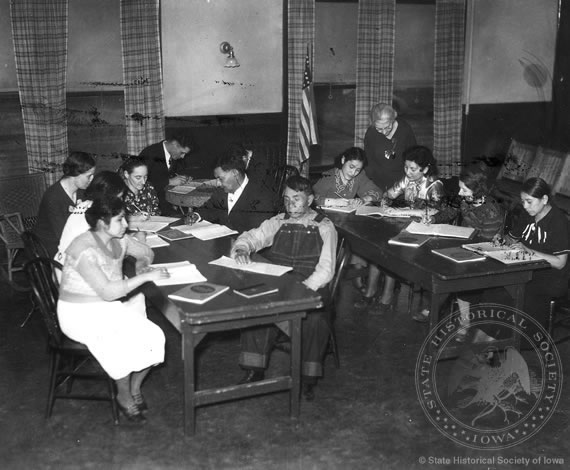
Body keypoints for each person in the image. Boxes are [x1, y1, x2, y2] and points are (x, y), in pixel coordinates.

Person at [57, 196, 169, 424]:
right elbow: (108, 292)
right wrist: (147, 277)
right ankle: (124, 395)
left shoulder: (120, 239)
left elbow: (146, 251)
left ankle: (135, 387)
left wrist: (142, 263)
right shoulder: (82, 247)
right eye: (120, 220)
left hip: (107, 309)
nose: (126, 225)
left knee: (154, 336)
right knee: (117, 343)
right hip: (78, 313)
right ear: (101, 223)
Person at [231, 175, 337, 401]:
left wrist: (303, 291)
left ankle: (306, 378)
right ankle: (254, 368)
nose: (290, 205)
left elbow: (326, 270)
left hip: (311, 283)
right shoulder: (277, 221)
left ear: (310, 199)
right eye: (286, 199)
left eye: (296, 199)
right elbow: (252, 237)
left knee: (314, 320)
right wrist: (242, 248)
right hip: (280, 281)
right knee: (256, 303)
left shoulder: (325, 226)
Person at [425, 162, 505, 336]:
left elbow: (487, 242)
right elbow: (449, 212)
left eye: (465, 190)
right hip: (466, 245)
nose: (460, 193)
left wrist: (464, 246)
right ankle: (436, 306)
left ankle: (463, 320)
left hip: (485, 254)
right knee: (436, 260)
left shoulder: (491, 210)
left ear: (478, 191)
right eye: (460, 189)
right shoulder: (464, 198)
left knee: (455, 270)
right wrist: (433, 219)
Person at [363, 146, 444, 313]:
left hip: (427, 231)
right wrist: (385, 201)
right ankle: (370, 293)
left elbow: (435, 211)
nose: (408, 172)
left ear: (426, 169)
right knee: (378, 246)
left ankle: (386, 299)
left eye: (413, 169)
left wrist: (402, 211)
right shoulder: (407, 179)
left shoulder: (435, 185)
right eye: (406, 167)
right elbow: (390, 194)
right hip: (407, 226)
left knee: (390, 252)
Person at [502, 177, 569, 328]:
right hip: (526, 271)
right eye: (523, 201)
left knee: (517, 295)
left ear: (544, 199)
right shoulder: (528, 215)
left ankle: (511, 342)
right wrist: (500, 240)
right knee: (496, 290)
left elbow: (560, 263)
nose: (525, 206)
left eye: (529, 201)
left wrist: (528, 251)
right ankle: (489, 344)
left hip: (550, 278)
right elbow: (511, 239)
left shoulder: (558, 221)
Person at [55, 171, 127, 265]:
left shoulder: (86, 204)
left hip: (60, 263)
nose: (121, 201)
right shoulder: (97, 216)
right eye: (119, 198)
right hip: (72, 268)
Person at [196, 151, 276, 234]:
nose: (218, 183)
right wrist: (196, 215)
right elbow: (208, 208)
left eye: (221, 179)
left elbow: (258, 231)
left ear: (235, 173)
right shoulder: (221, 192)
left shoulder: (261, 196)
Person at [34, 151, 96, 257]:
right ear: (75, 174)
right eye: (88, 176)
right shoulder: (53, 196)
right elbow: (62, 234)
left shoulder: (82, 192)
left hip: (72, 239)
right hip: (51, 246)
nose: (92, 179)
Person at [364, 103, 417, 192]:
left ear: (393, 119)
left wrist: (403, 184)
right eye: (379, 129)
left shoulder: (405, 129)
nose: (384, 132)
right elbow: (368, 160)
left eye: (388, 127)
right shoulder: (371, 133)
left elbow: (413, 157)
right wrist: (373, 184)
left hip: (403, 183)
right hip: (379, 184)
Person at [139, 132, 194, 215]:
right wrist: (169, 182)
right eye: (182, 153)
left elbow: (170, 173)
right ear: (174, 144)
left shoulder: (173, 154)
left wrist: (182, 178)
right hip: (149, 206)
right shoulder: (149, 154)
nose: (183, 157)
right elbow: (139, 184)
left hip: (166, 202)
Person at [313, 147, 382, 207]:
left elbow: (378, 192)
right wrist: (334, 202)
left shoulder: (359, 177)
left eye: (358, 170)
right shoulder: (327, 177)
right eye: (351, 167)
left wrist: (363, 199)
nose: (353, 173)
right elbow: (311, 198)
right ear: (343, 160)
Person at [120, 157, 161, 222]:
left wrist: (150, 216)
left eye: (145, 177)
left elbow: (156, 211)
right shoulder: (118, 192)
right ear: (126, 174)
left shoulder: (148, 187)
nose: (143, 182)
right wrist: (133, 218)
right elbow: (111, 218)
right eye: (138, 177)